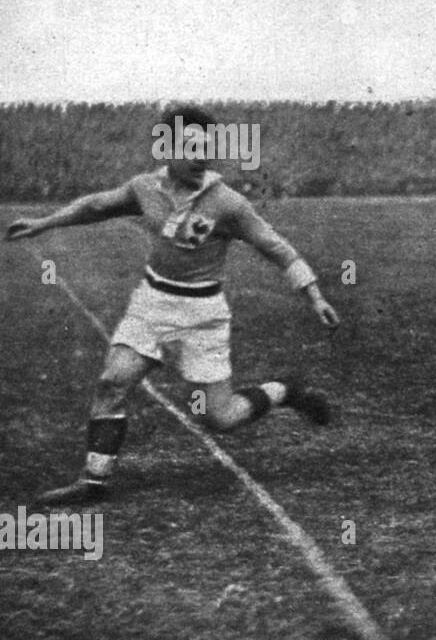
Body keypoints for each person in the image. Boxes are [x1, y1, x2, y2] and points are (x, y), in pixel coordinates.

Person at [4, 105, 340, 505]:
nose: (203, 156)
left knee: (220, 418)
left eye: (207, 147)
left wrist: (314, 295)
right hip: (152, 303)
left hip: (202, 317)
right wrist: (43, 223)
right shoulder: (145, 188)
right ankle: (93, 482)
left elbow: (277, 248)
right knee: (113, 381)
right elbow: (96, 206)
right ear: (168, 149)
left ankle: (285, 390)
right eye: (192, 147)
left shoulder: (227, 204)